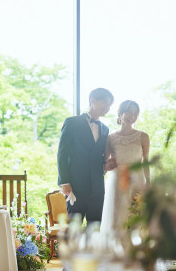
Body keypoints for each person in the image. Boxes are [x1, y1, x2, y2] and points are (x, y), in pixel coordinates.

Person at [57, 88, 117, 224]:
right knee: (74, 227)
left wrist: (106, 166)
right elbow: (62, 153)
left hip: (97, 185)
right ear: (93, 100)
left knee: (95, 226)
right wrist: (64, 181)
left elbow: (99, 158)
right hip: (76, 185)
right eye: (105, 103)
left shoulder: (105, 129)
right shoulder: (72, 122)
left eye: (109, 106)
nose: (107, 108)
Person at [100, 100, 150, 235]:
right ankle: (115, 251)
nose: (132, 116)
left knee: (135, 215)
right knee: (117, 217)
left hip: (136, 182)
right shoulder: (110, 138)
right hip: (117, 182)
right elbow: (105, 164)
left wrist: (148, 185)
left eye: (135, 113)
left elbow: (146, 163)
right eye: (129, 112)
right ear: (120, 113)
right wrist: (108, 166)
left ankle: (136, 250)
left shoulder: (143, 136)